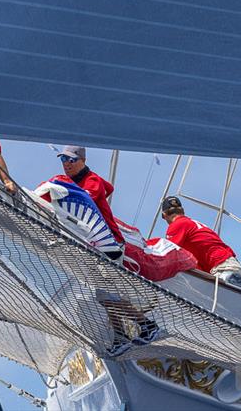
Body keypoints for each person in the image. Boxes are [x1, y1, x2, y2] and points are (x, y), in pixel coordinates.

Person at [55, 145, 159, 355]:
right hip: (95, 246)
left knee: (106, 295)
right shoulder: (79, 182)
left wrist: (61, 189)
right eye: (63, 160)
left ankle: (147, 325)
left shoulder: (91, 182)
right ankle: (121, 336)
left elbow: (85, 201)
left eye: (71, 160)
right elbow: (108, 188)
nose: (66, 164)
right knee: (106, 296)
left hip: (108, 244)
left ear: (82, 160)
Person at [161, 196, 241, 293]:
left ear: (164, 215)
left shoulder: (176, 225)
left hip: (222, 268)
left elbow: (167, 255)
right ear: (182, 211)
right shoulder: (192, 223)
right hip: (227, 265)